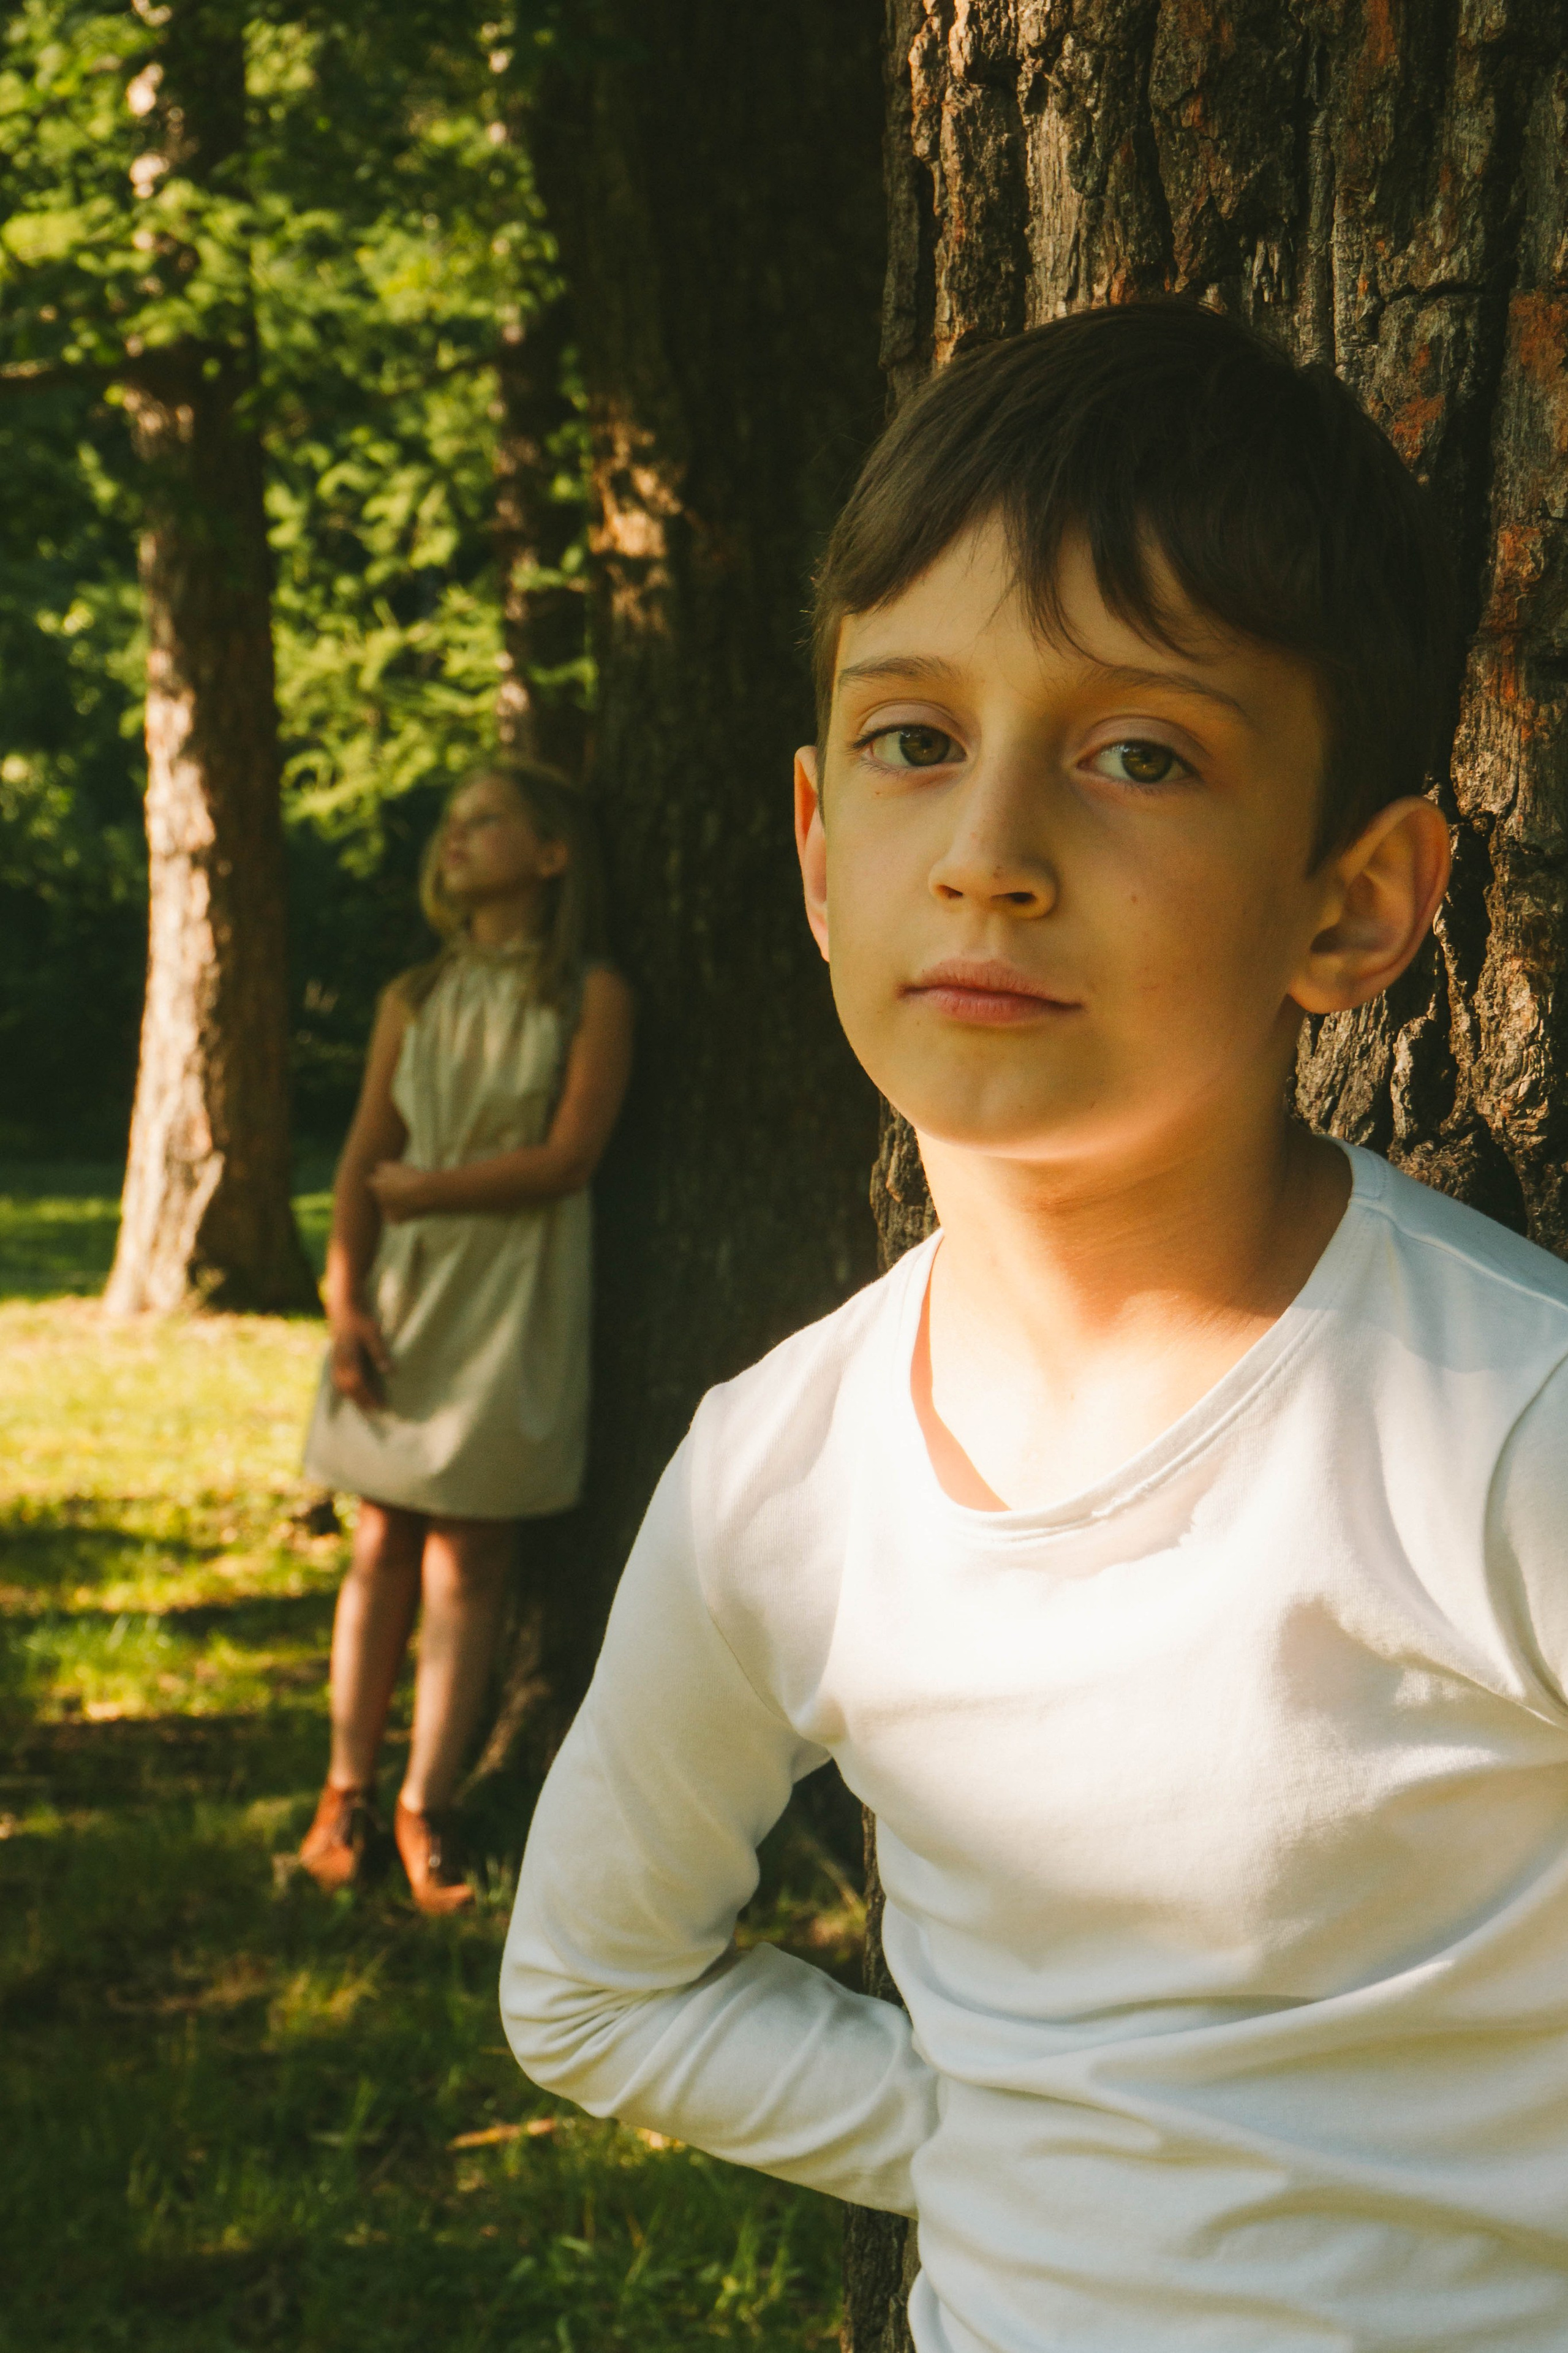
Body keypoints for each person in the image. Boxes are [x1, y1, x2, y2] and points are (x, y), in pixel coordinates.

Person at [499, 301, 1568, 2350]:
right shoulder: (778, 1480)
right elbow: (593, 1983)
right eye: (915, 739)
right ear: (821, 853)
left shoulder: (1503, 1432)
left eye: (1139, 757)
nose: (987, 857)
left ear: (1358, 904)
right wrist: (1000, 2139)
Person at [298, 760, 633, 1914]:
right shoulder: (415, 995)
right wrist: (346, 1304)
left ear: (551, 855)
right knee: (381, 1536)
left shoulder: (589, 993)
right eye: (449, 821)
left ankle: (424, 1804)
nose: (457, 837)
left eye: (486, 820)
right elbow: (357, 1163)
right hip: (406, 1291)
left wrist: (427, 1193)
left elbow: (571, 1156)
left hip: (513, 1292)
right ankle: (344, 1787)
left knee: (474, 1554)